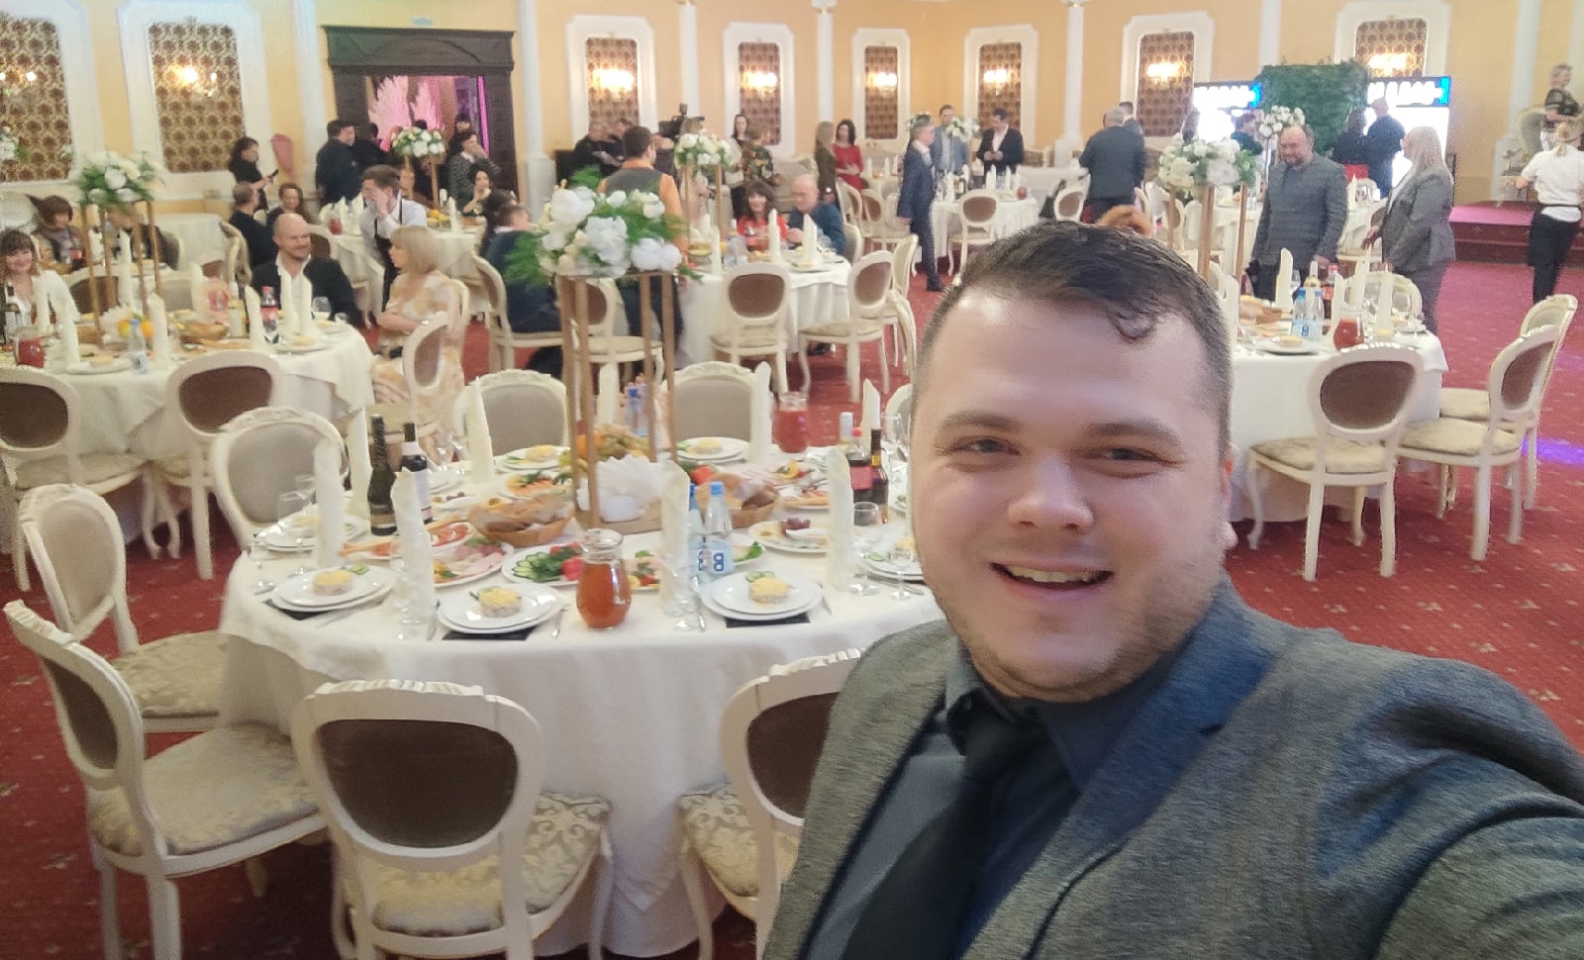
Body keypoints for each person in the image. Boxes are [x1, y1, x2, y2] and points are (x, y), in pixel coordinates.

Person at [762, 220, 1584, 960]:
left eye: (1124, 454)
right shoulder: (883, 687)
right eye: (983, 444)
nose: (1045, 506)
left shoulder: (1370, 768)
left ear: (1221, 494)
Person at [369, 224, 465, 445]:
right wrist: (388, 321)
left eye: (397, 247)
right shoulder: (400, 281)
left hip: (433, 357)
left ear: (414, 251)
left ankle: (409, 441)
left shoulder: (442, 287)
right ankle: (381, 444)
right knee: (358, 372)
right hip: (395, 350)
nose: (391, 251)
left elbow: (448, 334)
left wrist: (403, 324)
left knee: (382, 377)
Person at [600, 125, 688, 354]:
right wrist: (682, 262)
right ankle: (665, 368)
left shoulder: (606, 183)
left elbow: (600, 227)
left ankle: (639, 369)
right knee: (672, 325)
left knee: (637, 327)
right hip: (657, 265)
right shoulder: (663, 181)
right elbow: (675, 226)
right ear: (649, 149)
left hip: (623, 266)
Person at [1365, 126, 1455, 333]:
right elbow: (1399, 209)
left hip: (1424, 257)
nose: (1402, 145)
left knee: (1420, 311)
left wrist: (1393, 260)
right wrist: (1380, 228)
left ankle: (1428, 351)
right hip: (1408, 254)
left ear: (1419, 146)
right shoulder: (1415, 172)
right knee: (1401, 310)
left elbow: (1419, 223)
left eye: (1406, 141)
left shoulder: (1435, 177)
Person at [1248, 125, 1347, 301]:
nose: (1287, 151)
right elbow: (1266, 217)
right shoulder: (1275, 172)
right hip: (1271, 260)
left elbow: (1337, 217)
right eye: (1284, 146)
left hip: (1308, 261)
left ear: (1309, 144)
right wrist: (1256, 255)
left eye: (1293, 146)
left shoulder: (1331, 172)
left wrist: (1324, 254)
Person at [482, 204, 564, 378]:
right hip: (525, 316)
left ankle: (535, 372)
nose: (530, 225)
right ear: (515, 219)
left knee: (567, 319)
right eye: (527, 220)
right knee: (579, 325)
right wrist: (555, 300)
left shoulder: (496, 241)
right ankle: (537, 376)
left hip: (507, 313)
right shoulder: (519, 239)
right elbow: (536, 284)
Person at [1515, 119, 1584, 303]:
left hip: (1546, 216)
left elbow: (1520, 183)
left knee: (1542, 264)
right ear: (1578, 138)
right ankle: (1548, 297)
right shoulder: (1582, 160)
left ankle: (1540, 303)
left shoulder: (1542, 157)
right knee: (1556, 262)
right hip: (1571, 216)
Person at [249, 212, 359, 322]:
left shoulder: (329, 269)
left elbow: (350, 311)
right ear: (277, 240)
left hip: (323, 331)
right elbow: (253, 314)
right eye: (294, 238)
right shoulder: (262, 274)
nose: (301, 243)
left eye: (305, 236)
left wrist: (333, 323)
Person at [358, 163, 428, 301]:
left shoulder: (414, 211)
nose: (365, 196)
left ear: (388, 192)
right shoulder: (365, 218)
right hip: (391, 278)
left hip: (418, 277)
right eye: (364, 191)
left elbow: (411, 245)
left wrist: (385, 216)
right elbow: (374, 252)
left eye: (370, 191)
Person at [1078, 106, 1147, 223]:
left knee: (1101, 227)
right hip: (1125, 194)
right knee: (1123, 228)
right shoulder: (1135, 139)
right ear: (1123, 120)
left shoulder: (1097, 138)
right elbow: (1141, 167)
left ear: (1107, 120)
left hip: (1100, 194)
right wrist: (1134, 184)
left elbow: (1083, 162)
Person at [897, 119, 943, 292]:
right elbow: (909, 184)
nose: (933, 135)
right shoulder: (913, 155)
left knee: (924, 242)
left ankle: (932, 279)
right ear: (920, 134)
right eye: (930, 132)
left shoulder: (925, 151)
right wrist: (904, 210)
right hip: (918, 205)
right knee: (927, 242)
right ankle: (933, 280)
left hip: (924, 202)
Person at [1, 229, 78, 328]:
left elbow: (74, 315)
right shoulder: (2, 289)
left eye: (25, 252)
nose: (21, 259)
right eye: (13, 254)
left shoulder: (51, 279)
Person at [785, 174, 846, 257]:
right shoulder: (796, 212)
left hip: (824, 262)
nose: (798, 199)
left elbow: (839, 246)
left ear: (816, 193)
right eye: (795, 194)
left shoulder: (829, 213)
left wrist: (806, 239)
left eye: (803, 194)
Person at [101, 207, 176, 268]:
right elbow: (118, 259)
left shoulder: (150, 231)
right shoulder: (120, 235)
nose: (108, 218)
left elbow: (160, 259)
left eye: (110, 212)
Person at [228, 183, 277, 269]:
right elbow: (268, 252)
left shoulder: (235, 219)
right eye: (256, 194)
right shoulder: (251, 227)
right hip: (262, 267)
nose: (259, 196)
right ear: (251, 198)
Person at [32, 196, 88, 271]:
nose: (66, 219)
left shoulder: (74, 231)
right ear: (48, 217)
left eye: (67, 214)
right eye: (61, 215)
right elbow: (44, 265)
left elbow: (85, 255)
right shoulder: (37, 238)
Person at [1364, 98, 1405, 198]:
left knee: (1370, 190)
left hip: (1374, 162)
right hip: (1386, 160)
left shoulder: (1374, 126)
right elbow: (1401, 143)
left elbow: (1368, 144)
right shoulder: (1396, 125)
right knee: (1385, 191)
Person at [447, 132, 501, 206]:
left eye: (476, 142)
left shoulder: (480, 158)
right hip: (467, 196)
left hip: (487, 194)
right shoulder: (456, 161)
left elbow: (496, 171)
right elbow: (454, 184)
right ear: (463, 144)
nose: (475, 145)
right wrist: (453, 202)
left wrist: (485, 157)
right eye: (471, 142)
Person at [315, 120, 361, 205]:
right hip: (344, 199)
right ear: (342, 131)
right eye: (348, 132)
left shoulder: (323, 150)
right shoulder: (341, 150)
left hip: (330, 197)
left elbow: (320, 175)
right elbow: (343, 175)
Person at [736, 181, 785, 252]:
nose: (756, 200)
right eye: (752, 197)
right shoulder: (743, 220)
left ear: (768, 199)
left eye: (760, 196)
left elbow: (783, 243)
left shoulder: (777, 219)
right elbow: (737, 242)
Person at [977, 108, 1025, 177]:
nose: (993, 124)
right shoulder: (987, 134)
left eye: (996, 122)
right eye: (992, 121)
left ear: (1005, 121)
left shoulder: (1015, 136)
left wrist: (1003, 156)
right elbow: (979, 152)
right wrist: (985, 155)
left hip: (1007, 175)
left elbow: (1020, 157)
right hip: (989, 174)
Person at [228, 136, 271, 208]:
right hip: (250, 202)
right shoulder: (239, 166)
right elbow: (247, 189)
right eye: (253, 152)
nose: (256, 154)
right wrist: (263, 181)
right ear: (243, 152)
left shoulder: (250, 165)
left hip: (257, 200)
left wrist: (265, 181)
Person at [1330, 108, 1372, 183]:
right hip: (1362, 172)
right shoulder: (1366, 140)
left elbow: (1336, 157)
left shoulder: (1341, 138)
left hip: (1344, 172)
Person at [931, 105, 970, 180]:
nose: (949, 119)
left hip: (957, 174)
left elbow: (966, 155)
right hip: (939, 175)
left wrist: (966, 174)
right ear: (940, 117)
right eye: (946, 116)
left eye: (952, 116)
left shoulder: (961, 134)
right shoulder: (934, 133)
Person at [1544, 64, 1580, 136]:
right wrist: (1573, 119)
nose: (1568, 78)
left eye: (1569, 75)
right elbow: (1551, 116)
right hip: (1555, 133)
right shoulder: (1555, 94)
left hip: (1565, 132)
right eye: (1566, 76)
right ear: (1556, 77)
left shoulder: (1566, 94)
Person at [833, 119, 865, 193]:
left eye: (846, 130)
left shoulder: (855, 148)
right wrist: (845, 171)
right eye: (841, 129)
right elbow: (829, 168)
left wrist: (856, 170)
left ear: (850, 132)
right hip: (838, 180)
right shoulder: (832, 148)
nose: (843, 133)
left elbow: (860, 166)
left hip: (853, 180)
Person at [813, 122, 839, 204]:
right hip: (826, 187)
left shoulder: (823, 150)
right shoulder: (823, 152)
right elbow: (825, 173)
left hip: (828, 185)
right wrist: (828, 191)